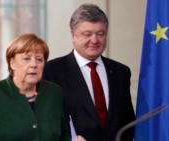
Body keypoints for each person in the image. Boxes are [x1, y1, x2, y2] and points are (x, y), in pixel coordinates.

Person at [43, 3, 135, 141]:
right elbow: (46, 122)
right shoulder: (52, 71)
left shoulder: (121, 72)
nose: (94, 40)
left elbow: (128, 122)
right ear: (73, 35)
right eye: (87, 34)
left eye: (100, 34)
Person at [0, 33, 71, 141]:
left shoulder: (54, 92)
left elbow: (64, 135)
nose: (34, 64)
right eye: (26, 59)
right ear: (12, 63)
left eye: (39, 59)